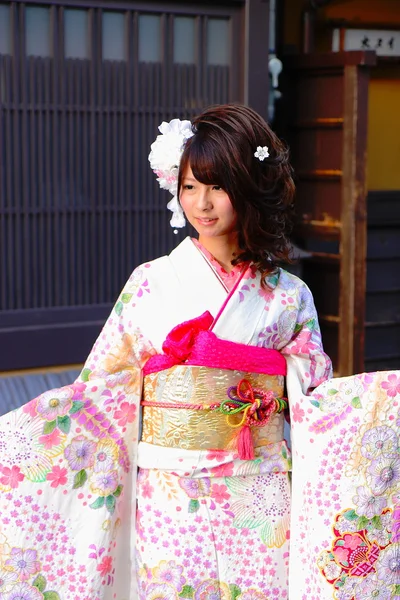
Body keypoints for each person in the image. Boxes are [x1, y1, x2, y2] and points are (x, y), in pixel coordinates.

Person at [0, 104, 398, 600]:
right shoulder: (150, 283)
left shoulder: (288, 295)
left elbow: (314, 403)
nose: (202, 204)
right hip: (170, 489)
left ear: (249, 187)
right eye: (190, 186)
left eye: (218, 186)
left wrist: (382, 407)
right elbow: (101, 390)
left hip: (259, 489)